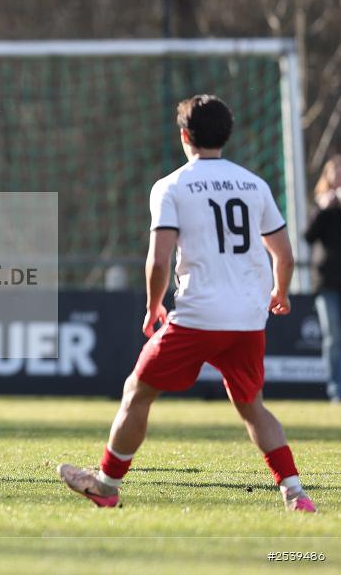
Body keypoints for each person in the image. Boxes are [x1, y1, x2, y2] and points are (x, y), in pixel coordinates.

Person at [57, 94, 316, 512]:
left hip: (198, 317)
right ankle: (294, 491)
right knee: (252, 405)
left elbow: (159, 258)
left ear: (184, 136)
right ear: (226, 135)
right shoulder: (254, 184)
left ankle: (106, 485)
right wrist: (280, 293)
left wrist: (152, 305)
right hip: (248, 318)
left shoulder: (171, 186)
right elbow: (283, 254)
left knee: (137, 391)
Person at [305, 155, 341, 404]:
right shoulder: (321, 207)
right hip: (327, 282)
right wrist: (323, 209)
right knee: (333, 337)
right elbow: (308, 237)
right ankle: (335, 390)